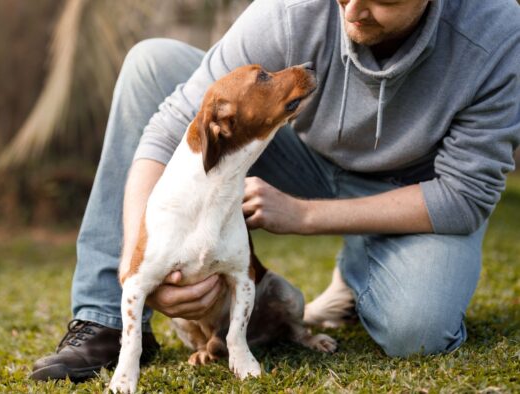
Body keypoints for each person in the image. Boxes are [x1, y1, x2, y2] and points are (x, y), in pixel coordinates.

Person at [30, 0, 520, 382]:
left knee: (419, 330)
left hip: (411, 186)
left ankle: (365, 273)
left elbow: (464, 196)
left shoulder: (496, 32)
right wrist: (137, 258)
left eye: (382, 1)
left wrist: (303, 216)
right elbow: (166, 130)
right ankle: (102, 320)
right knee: (150, 62)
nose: (351, 12)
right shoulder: (291, 10)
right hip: (299, 154)